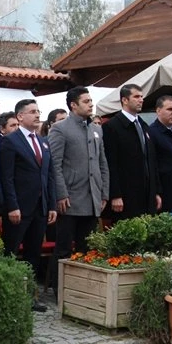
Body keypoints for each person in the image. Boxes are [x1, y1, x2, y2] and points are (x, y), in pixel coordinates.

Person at [47, 87, 109, 297]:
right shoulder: (60, 129)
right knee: (63, 248)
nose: (91, 104)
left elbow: (102, 163)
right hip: (70, 198)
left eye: (91, 100)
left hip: (92, 197)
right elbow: (54, 164)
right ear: (73, 105)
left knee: (87, 248)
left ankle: (82, 290)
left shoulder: (96, 129)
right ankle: (57, 289)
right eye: (86, 101)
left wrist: (104, 193)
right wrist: (61, 193)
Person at [0, 99, 56, 311]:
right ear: (20, 116)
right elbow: (7, 177)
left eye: (38, 111)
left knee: (33, 253)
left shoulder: (42, 142)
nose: (37, 115)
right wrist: (12, 206)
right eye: (32, 112)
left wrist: (51, 205)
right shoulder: (10, 141)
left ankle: (30, 296)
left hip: (40, 207)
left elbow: (49, 176)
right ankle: (8, 296)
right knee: (11, 252)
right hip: (19, 209)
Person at [102, 84, 160, 219]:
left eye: (142, 97)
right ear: (124, 100)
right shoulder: (112, 127)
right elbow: (110, 163)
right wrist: (115, 195)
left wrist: (156, 191)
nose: (141, 100)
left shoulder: (144, 126)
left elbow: (151, 161)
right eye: (136, 96)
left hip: (146, 195)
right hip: (126, 196)